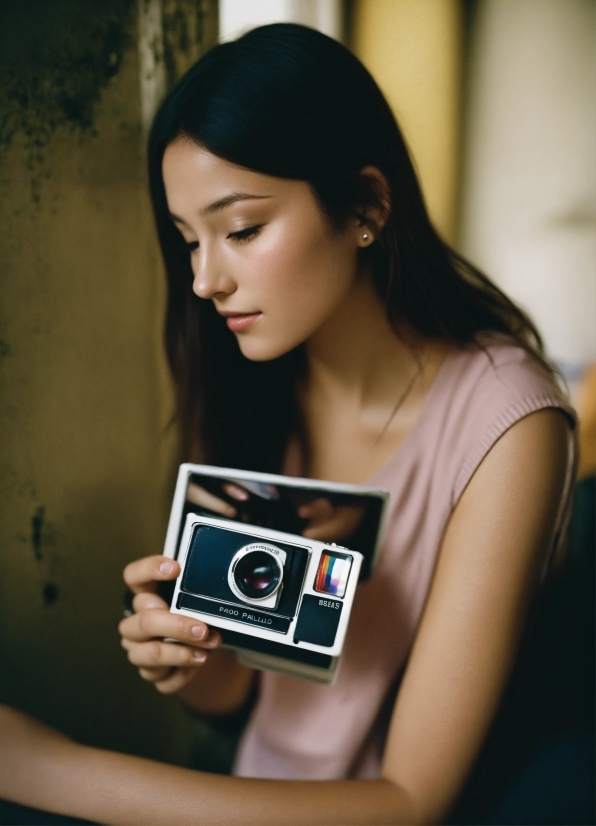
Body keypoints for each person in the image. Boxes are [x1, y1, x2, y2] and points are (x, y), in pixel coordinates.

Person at [0, 23, 577, 826]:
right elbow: (247, 694)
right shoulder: (262, 378)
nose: (204, 280)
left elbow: (410, 802)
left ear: (367, 205)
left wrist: (42, 765)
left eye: (240, 230)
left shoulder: (508, 423)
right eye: (186, 240)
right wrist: (187, 659)